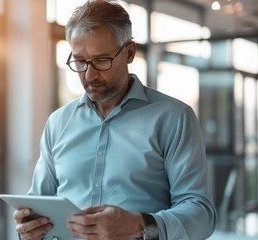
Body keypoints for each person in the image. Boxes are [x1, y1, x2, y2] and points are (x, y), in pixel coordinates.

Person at [13, 0, 217, 239]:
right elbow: (38, 204)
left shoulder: (174, 118)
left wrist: (141, 225)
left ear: (129, 52)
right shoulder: (57, 123)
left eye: (101, 60)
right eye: (79, 61)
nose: (89, 74)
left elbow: (201, 215)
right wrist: (28, 230)